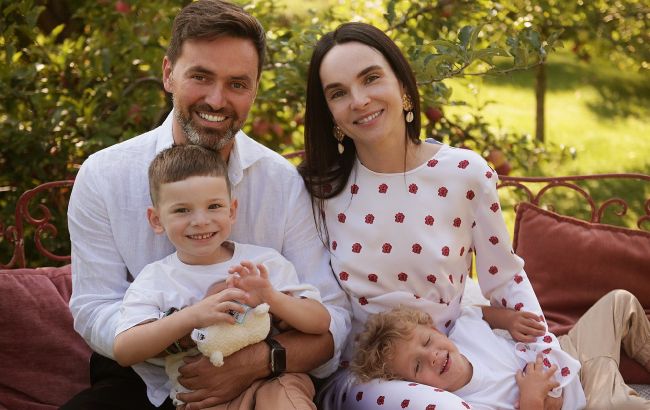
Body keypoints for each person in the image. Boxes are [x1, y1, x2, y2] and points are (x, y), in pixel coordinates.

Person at [64, 1, 351, 409]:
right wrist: (190, 331)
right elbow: (95, 309)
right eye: (200, 76)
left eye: (237, 84)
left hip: (267, 369)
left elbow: (332, 318)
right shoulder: (104, 175)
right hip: (145, 375)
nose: (217, 100)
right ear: (169, 74)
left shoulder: (281, 183)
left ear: (255, 88)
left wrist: (258, 359)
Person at [298, 21, 564, 408]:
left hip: (451, 356)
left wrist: (545, 356)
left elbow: (506, 278)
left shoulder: (465, 173)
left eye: (371, 78)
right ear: (330, 113)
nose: (359, 100)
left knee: (553, 385)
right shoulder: (318, 192)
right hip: (365, 378)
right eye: (339, 93)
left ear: (403, 87)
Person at [112, 144, 331, 408]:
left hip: (274, 382)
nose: (201, 221)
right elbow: (125, 350)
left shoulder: (262, 263)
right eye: (182, 210)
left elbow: (320, 322)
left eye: (214, 206)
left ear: (232, 210)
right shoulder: (156, 279)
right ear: (156, 220)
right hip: (205, 398)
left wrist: (271, 297)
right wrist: (192, 316)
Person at [353, 290, 650, 409]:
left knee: (619, 301)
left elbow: (477, 312)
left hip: (569, 350)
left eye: (428, 342)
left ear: (434, 329)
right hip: (585, 399)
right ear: (412, 386)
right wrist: (531, 397)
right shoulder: (464, 403)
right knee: (616, 405)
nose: (432, 356)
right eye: (417, 366)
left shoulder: (463, 330)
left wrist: (508, 319)